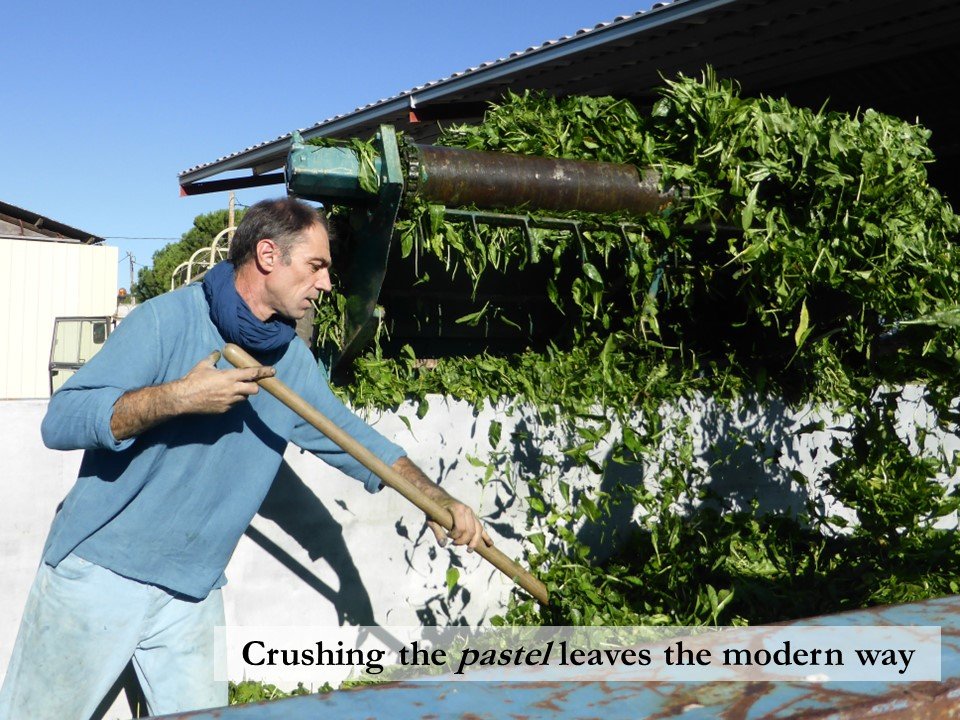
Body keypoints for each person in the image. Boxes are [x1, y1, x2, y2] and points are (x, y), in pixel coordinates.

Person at [0, 198, 491, 720]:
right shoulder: (168, 321)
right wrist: (177, 398)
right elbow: (62, 420)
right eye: (316, 266)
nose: (326, 284)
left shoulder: (290, 365)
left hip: (192, 593)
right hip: (99, 576)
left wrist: (437, 499)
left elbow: (357, 442)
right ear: (267, 255)